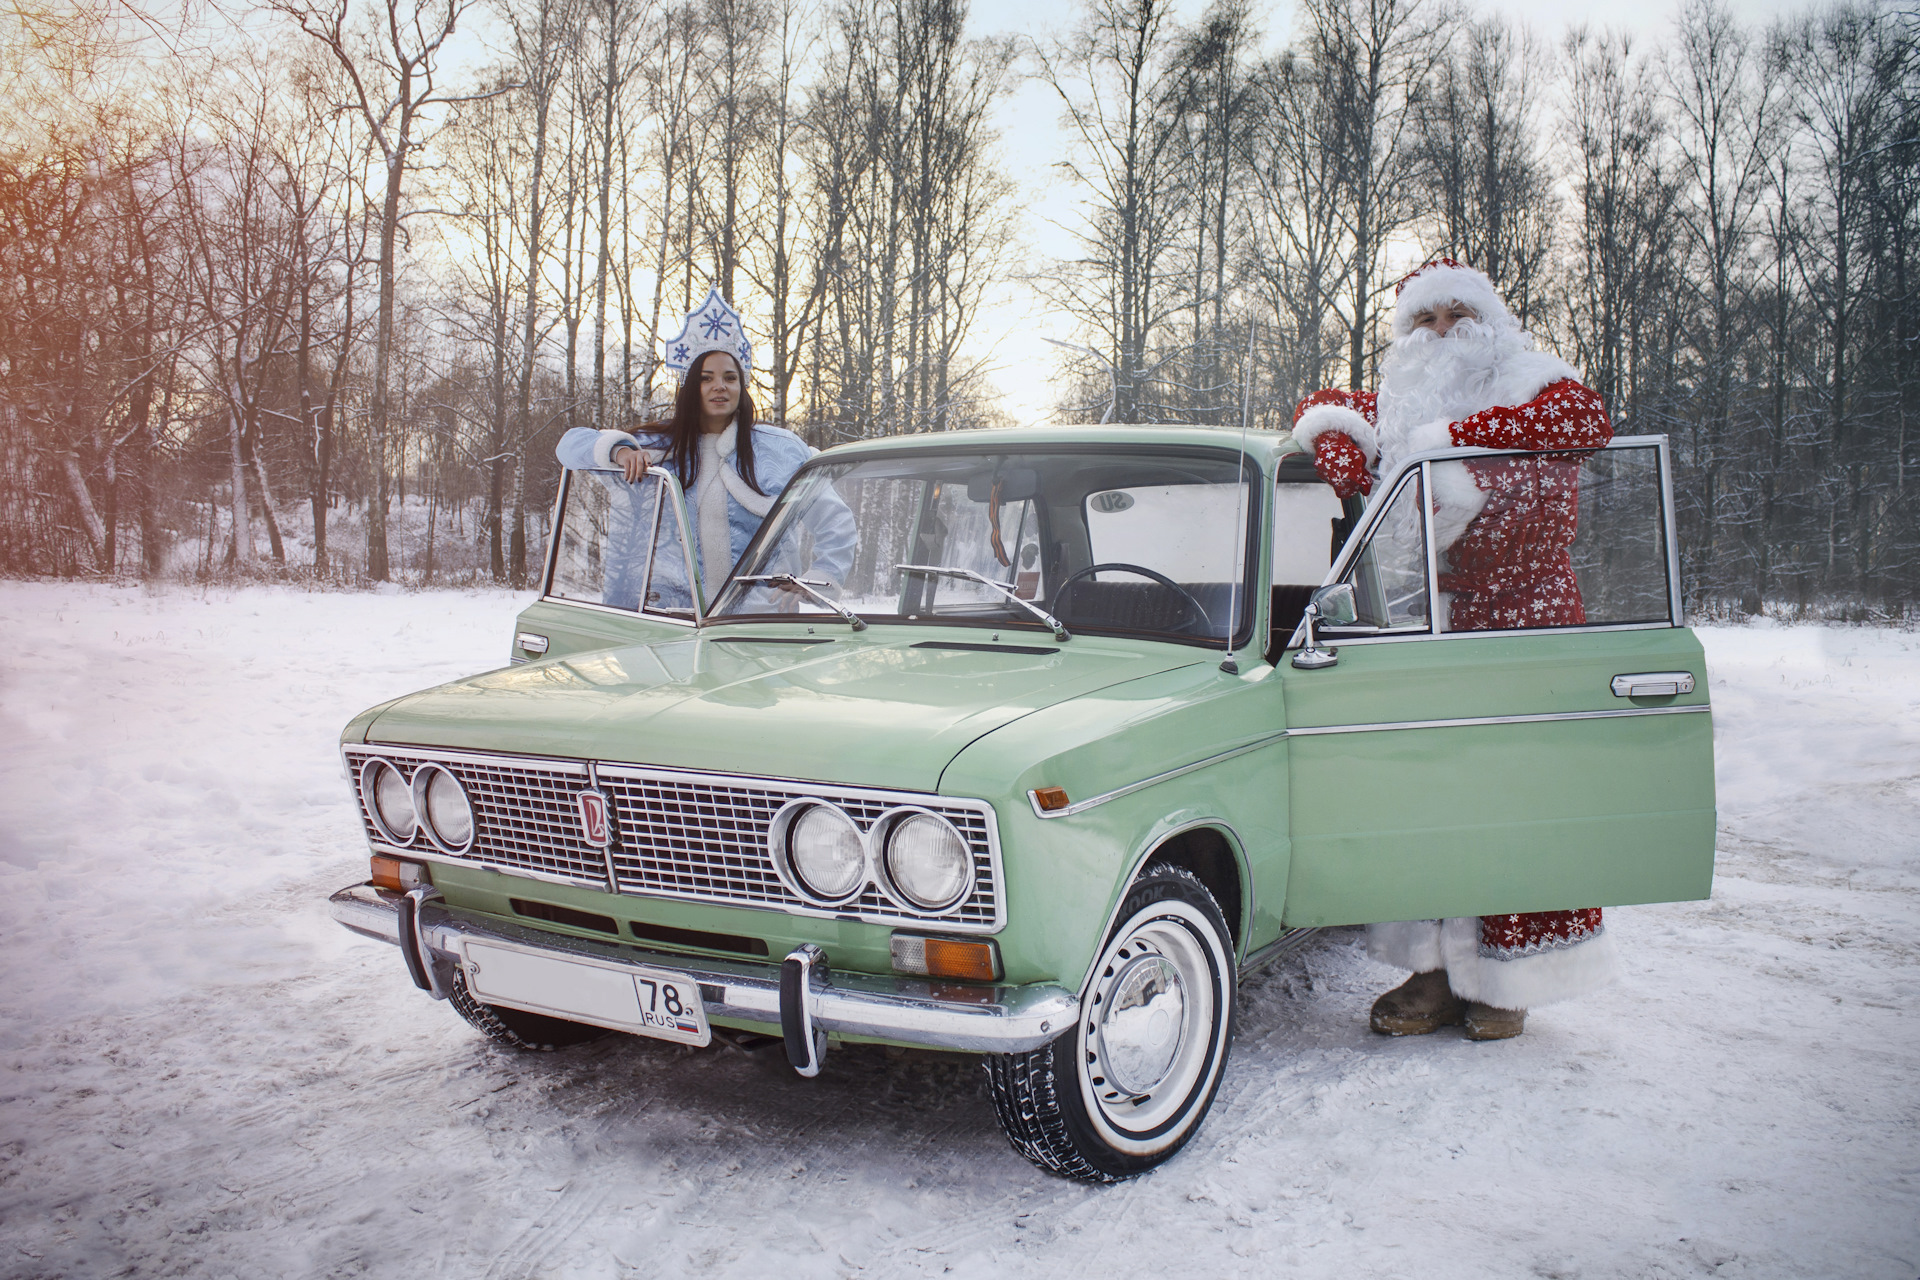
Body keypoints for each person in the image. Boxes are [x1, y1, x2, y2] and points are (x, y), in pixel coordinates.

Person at [1288, 257, 1619, 1042]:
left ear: (1488, 320)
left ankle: (1508, 979)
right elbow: (1325, 403)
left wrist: (1444, 441)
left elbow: (1586, 423)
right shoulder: (1406, 400)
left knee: (1518, 793)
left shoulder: (1535, 380)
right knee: (1430, 790)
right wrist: (1340, 439)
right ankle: (1433, 971)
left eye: (1455, 316)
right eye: (1423, 320)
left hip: (1529, 621)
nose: (1442, 332)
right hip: (1434, 617)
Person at [556, 288, 852, 609]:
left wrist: (821, 576)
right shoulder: (658, 449)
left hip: (760, 626)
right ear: (691, 387)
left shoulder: (780, 449)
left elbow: (835, 520)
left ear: (742, 386)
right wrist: (620, 451)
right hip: (672, 622)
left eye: (730, 378)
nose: (719, 387)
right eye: (706, 378)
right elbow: (569, 445)